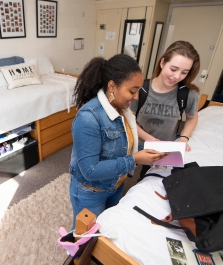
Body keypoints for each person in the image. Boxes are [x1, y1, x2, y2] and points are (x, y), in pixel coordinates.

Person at [69, 54, 167, 228]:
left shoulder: (122, 110)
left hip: (115, 185)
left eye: (138, 90)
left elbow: (122, 144)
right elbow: (90, 171)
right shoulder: (89, 118)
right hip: (92, 191)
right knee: (85, 236)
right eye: (132, 90)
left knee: (106, 230)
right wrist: (135, 160)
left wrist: (152, 152)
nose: (136, 97)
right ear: (112, 86)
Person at [130, 40, 201, 180]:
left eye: (184, 72)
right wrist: (149, 139)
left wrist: (183, 138)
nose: (177, 77)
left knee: (148, 179)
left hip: (164, 147)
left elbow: (192, 118)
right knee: (122, 176)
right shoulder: (140, 88)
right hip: (136, 143)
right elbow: (129, 118)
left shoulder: (188, 94)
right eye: (173, 69)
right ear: (162, 63)